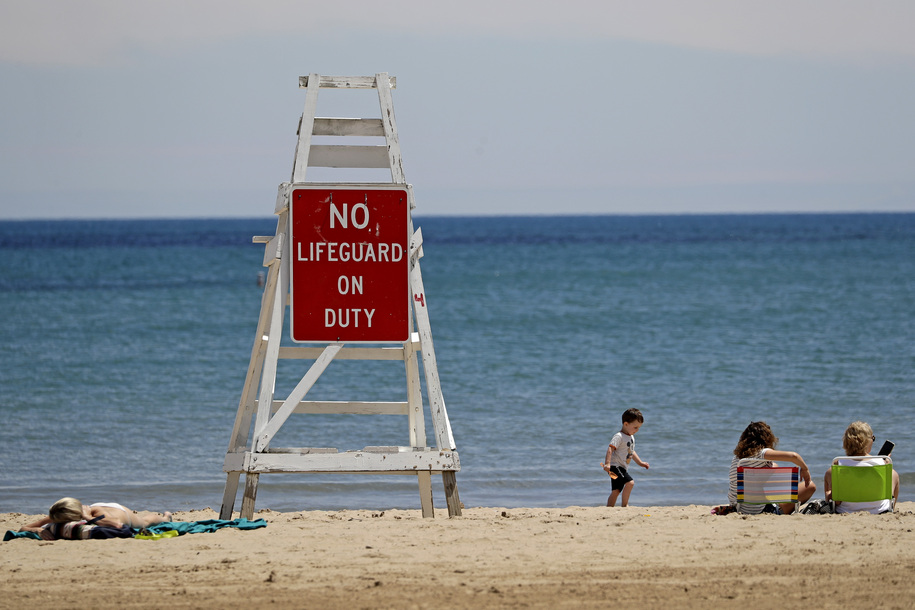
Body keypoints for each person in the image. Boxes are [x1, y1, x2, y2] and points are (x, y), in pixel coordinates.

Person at [727, 421, 816, 515]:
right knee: (810, 486)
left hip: (738, 508)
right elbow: (794, 456)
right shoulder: (762, 453)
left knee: (773, 466)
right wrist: (805, 469)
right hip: (761, 510)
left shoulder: (738, 458)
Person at [823, 421, 899, 514]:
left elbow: (837, 502)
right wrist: (885, 465)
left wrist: (828, 495)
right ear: (867, 441)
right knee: (893, 474)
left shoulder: (839, 464)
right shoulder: (881, 463)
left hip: (845, 511)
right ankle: (891, 508)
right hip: (880, 510)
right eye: (873, 438)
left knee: (829, 473)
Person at [19, 497, 172, 535]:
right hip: (97, 508)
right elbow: (23, 527)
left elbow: (117, 525)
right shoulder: (60, 514)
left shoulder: (94, 513)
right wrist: (38, 530)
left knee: (144, 522)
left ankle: (166, 517)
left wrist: (88, 517)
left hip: (119, 512)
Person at [601, 408, 650, 507]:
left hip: (622, 467)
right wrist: (607, 463)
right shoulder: (619, 436)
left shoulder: (631, 437)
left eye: (639, 428)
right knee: (630, 483)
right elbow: (610, 449)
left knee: (616, 490)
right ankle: (625, 505)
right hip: (615, 466)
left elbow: (631, 451)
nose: (637, 430)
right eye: (635, 427)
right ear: (626, 424)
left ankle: (609, 508)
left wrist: (640, 463)